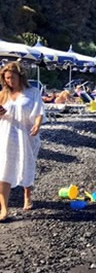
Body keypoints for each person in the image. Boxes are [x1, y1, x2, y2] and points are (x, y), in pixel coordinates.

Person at [0, 62, 44, 221]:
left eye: (12, 77)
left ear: (20, 76)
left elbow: (39, 112)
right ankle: (4, 209)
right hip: (5, 136)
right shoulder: (3, 94)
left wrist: (38, 125)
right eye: (6, 78)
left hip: (27, 135)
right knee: (3, 171)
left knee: (27, 166)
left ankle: (27, 194)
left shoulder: (32, 92)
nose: (9, 81)